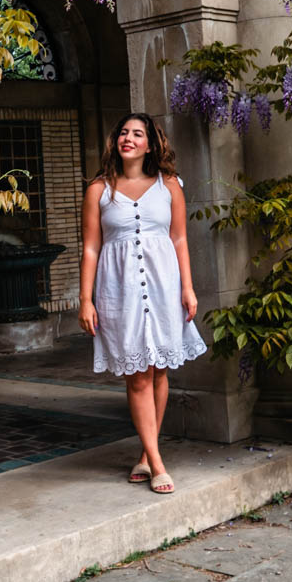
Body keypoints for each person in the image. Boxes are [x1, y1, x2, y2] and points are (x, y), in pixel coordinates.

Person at [79, 112, 207, 495]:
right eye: (123, 133)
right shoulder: (99, 190)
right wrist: (85, 299)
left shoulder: (170, 187)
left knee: (160, 372)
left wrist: (188, 287)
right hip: (119, 292)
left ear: (150, 144)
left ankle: (145, 453)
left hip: (163, 286)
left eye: (137, 134)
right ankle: (158, 463)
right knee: (138, 376)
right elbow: (90, 248)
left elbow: (180, 239)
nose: (128, 138)